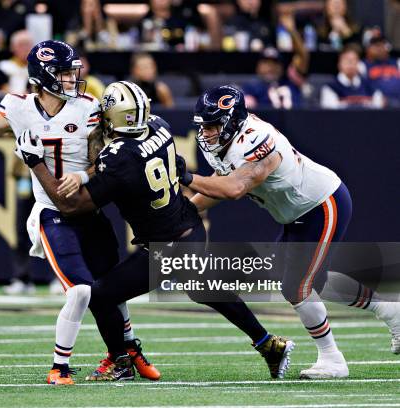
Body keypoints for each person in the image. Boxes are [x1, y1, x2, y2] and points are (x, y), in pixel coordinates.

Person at [15, 80, 295, 381]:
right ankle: (268, 344)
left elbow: (70, 206)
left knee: (101, 295)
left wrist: (37, 164)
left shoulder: (117, 159)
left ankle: (120, 362)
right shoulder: (160, 127)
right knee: (204, 289)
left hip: (166, 246)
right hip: (189, 226)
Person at [0, 40, 158, 385]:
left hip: (89, 211)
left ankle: (126, 351)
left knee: (111, 289)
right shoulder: (19, 108)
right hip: (52, 214)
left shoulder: (88, 109)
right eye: (64, 73)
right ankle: (59, 367)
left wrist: (82, 174)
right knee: (81, 290)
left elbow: (110, 160)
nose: (72, 79)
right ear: (43, 76)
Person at [185, 85, 400, 378]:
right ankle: (390, 311)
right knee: (316, 282)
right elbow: (223, 181)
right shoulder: (225, 141)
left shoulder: (257, 141)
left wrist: (185, 177)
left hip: (322, 203)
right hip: (297, 213)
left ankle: (332, 359)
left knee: (296, 286)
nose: (206, 133)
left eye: (213, 125)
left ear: (233, 121)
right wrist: (188, 209)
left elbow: (234, 188)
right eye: (203, 126)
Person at [360, 33, 400, 106]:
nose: (379, 48)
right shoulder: (362, 65)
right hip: (377, 104)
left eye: (381, 45)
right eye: (375, 45)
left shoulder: (397, 62)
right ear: (368, 49)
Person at [0, 30, 33, 94]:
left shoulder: (37, 69)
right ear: (12, 47)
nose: (25, 48)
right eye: (21, 45)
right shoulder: (3, 66)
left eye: (28, 44)